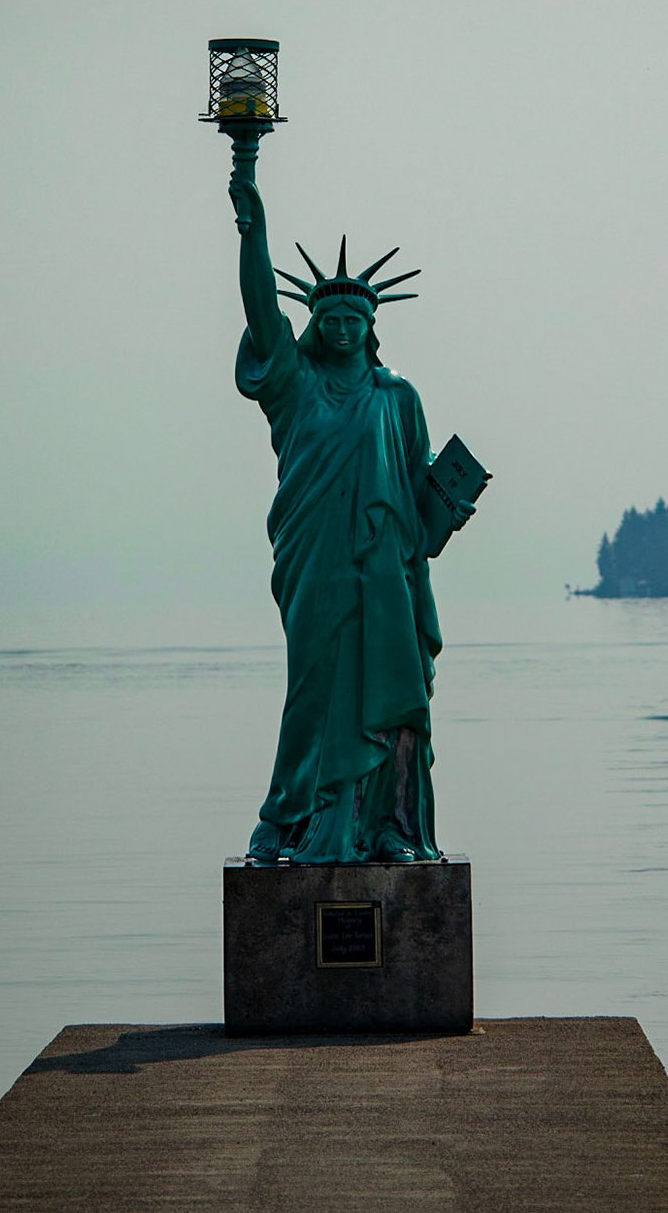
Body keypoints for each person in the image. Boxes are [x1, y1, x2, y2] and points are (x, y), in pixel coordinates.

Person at [228, 170, 471, 863]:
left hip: (387, 571)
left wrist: (447, 505)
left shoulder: (399, 399)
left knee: (393, 696)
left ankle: (387, 826)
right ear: (314, 324)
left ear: (370, 327)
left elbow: (418, 491)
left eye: (353, 320)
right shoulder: (293, 385)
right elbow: (259, 314)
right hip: (316, 560)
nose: (340, 327)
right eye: (329, 319)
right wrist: (252, 219)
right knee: (313, 691)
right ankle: (294, 820)